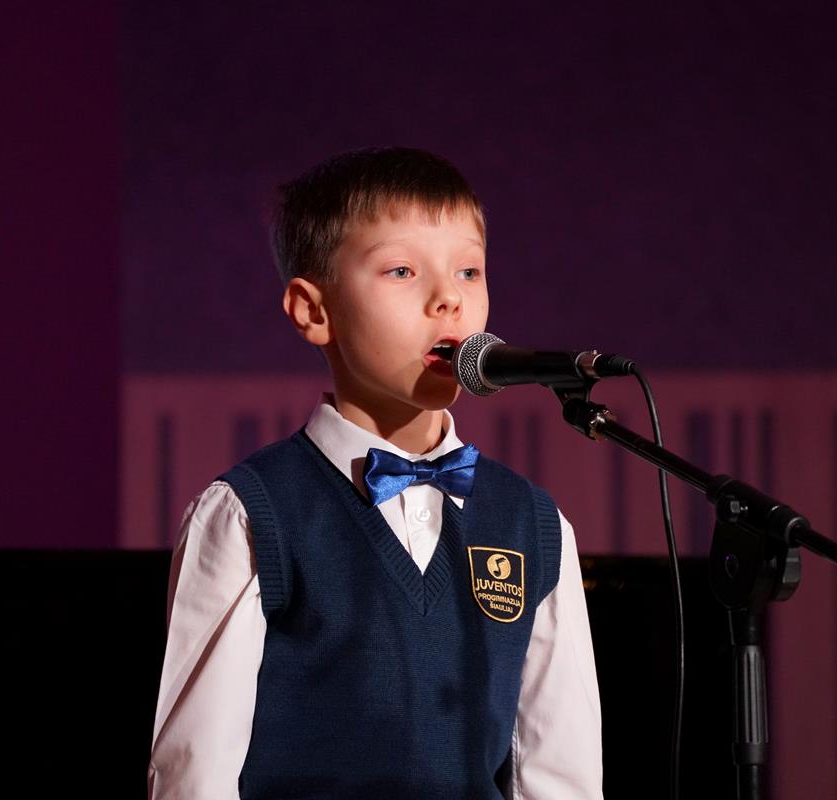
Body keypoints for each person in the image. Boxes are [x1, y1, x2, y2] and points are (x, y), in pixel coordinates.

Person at [147, 147, 604, 799]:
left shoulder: (532, 522)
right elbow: (196, 775)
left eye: (469, 271)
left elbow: (563, 775)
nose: (449, 299)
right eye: (402, 270)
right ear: (314, 310)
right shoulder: (251, 513)